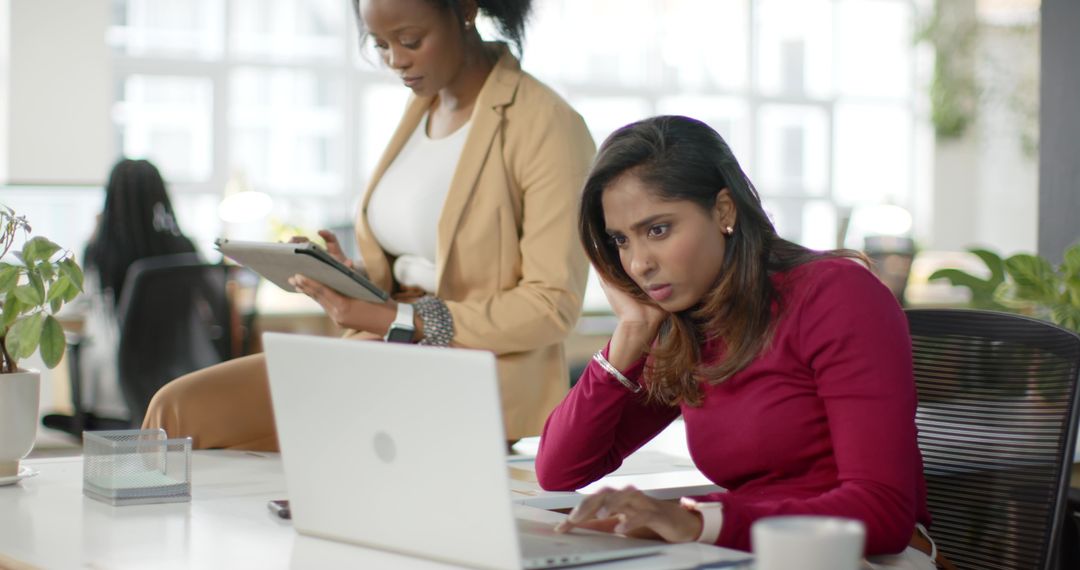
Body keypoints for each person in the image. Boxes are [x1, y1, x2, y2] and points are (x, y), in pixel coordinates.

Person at [142, 0, 594, 450]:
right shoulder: (420, 112)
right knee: (178, 408)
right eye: (379, 44)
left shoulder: (547, 124)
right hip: (387, 346)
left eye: (411, 41)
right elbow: (412, 267)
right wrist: (351, 279)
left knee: (192, 417)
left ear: (465, 10)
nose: (396, 60)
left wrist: (404, 317)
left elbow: (552, 305)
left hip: (471, 370)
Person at [534, 116, 949, 570]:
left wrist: (699, 521)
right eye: (620, 239)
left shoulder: (836, 295)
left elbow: (883, 512)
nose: (637, 263)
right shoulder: (690, 324)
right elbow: (562, 471)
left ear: (724, 211)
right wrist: (631, 329)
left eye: (658, 230)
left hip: (862, 557)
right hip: (750, 553)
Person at [75, 158, 197, 423]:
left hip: (115, 391)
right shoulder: (185, 249)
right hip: (177, 379)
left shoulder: (100, 252)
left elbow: (84, 305)